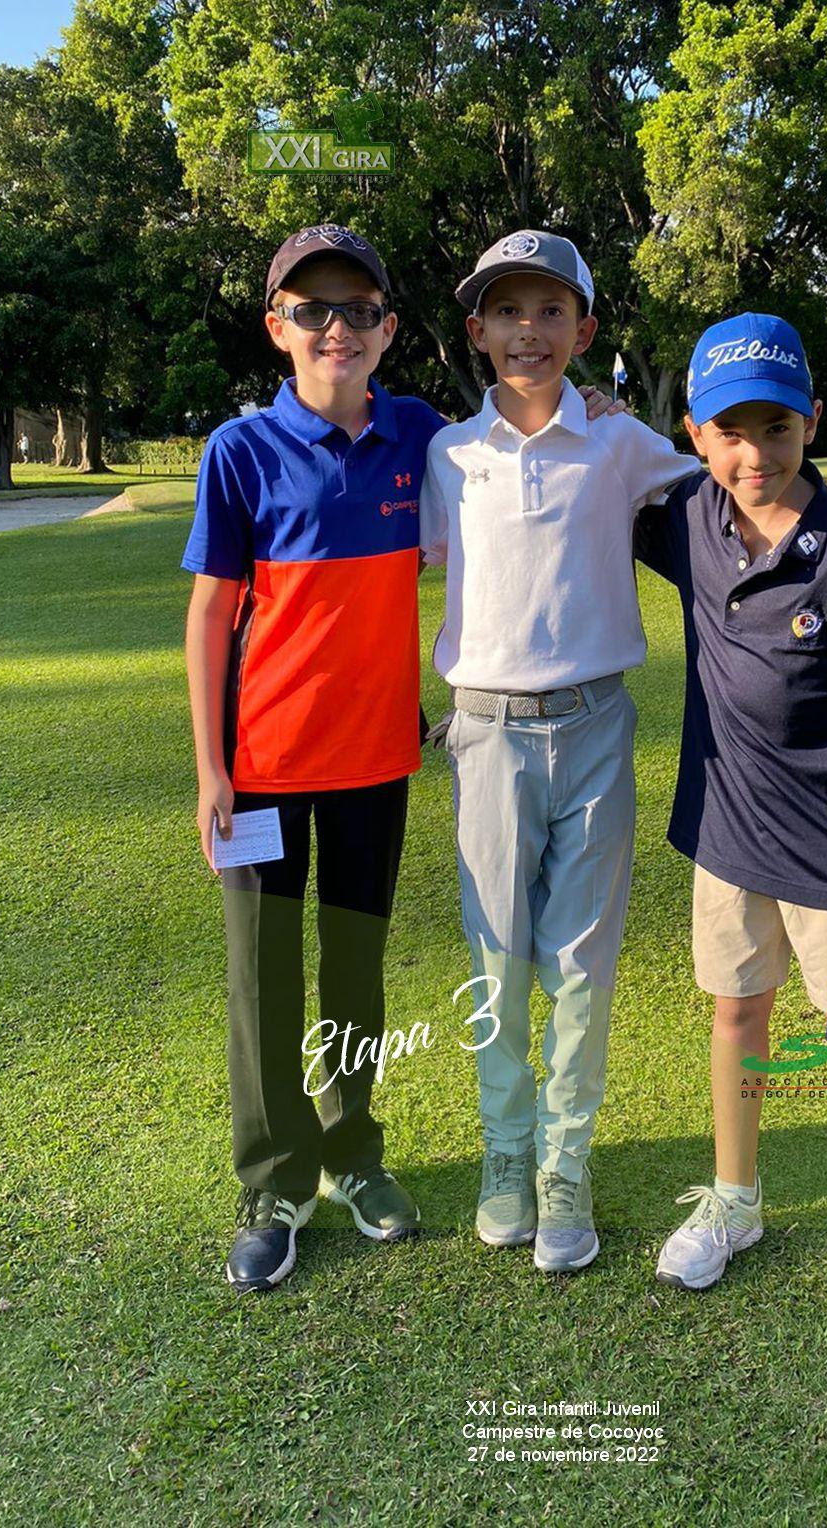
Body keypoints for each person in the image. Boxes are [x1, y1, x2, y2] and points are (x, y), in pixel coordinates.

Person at [638, 313, 827, 1309]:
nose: (753, 454)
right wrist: (595, 411)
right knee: (737, 1010)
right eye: (728, 432)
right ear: (695, 435)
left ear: (810, 420)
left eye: (774, 428)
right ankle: (734, 1200)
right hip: (726, 831)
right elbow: (594, 484)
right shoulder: (689, 517)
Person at [419, 230, 700, 1273]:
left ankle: (562, 1164)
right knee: (496, 956)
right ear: (476, 330)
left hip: (593, 727)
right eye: (506, 310)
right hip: (486, 733)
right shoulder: (449, 455)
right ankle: (504, 1154)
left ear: (583, 331)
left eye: (549, 311)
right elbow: (393, 569)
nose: (527, 330)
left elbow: (730, 490)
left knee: (580, 962)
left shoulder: (619, 443)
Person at [182, 224, 446, 1293]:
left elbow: (524, 449)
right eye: (312, 310)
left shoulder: (420, 433)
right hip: (261, 767)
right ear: (277, 328)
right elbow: (211, 616)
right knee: (263, 980)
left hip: (376, 761)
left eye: (358, 310)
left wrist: (600, 409)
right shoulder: (239, 450)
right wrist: (211, 769)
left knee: (353, 969)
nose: (338, 327)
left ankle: (351, 1155)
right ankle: (275, 1182)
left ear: (388, 328)